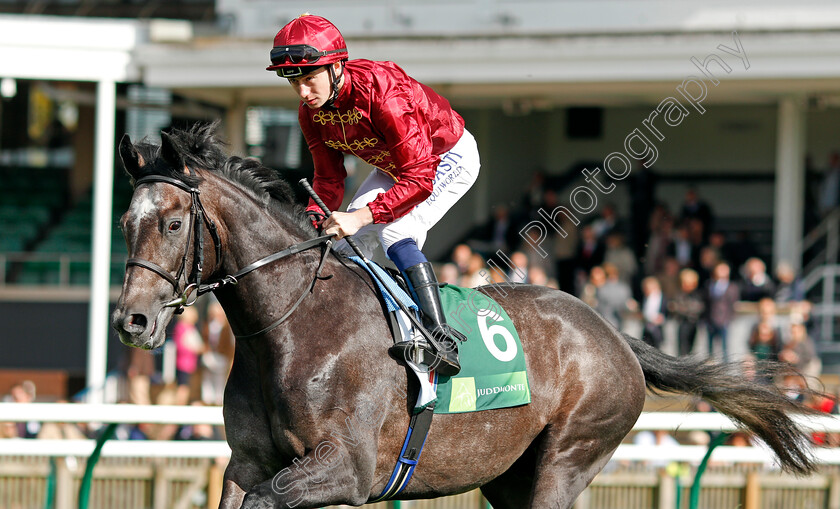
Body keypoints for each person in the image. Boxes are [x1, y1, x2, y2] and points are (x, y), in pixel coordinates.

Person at [267, 14, 480, 375]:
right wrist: (310, 223)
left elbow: (420, 177)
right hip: (395, 168)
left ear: (336, 67)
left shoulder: (383, 92)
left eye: (309, 79)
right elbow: (329, 180)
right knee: (342, 247)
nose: (303, 93)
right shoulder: (311, 113)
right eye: (294, 83)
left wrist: (361, 216)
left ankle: (439, 338)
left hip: (444, 159)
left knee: (394, 231)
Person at [703, 261, 740, 359]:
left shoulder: (732, 287)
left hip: (725, 320)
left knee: (725, 347)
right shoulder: (709, 285)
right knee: (710, 347)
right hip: (711, 319)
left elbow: (733, 303)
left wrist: (730, 318)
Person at [668, 269, 705, 356]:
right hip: (683, 323)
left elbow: (699, 308)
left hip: (693, 324)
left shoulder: (697, 295)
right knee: (682, 348)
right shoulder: (679, 295)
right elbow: (674, 308)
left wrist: (684, 309)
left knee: (693, 348)